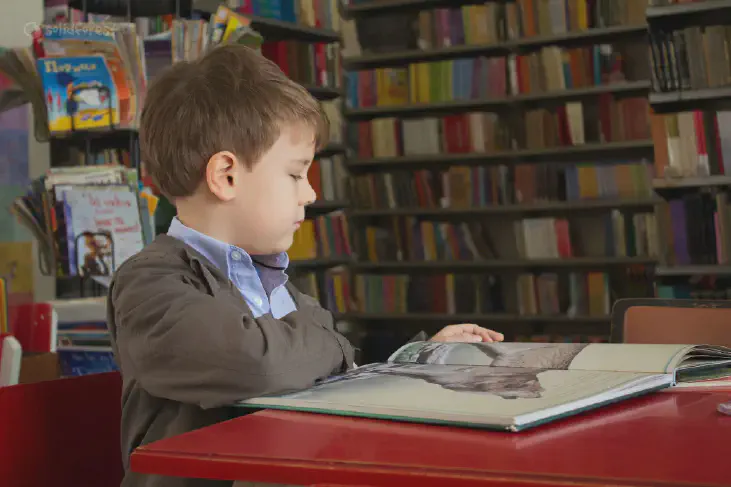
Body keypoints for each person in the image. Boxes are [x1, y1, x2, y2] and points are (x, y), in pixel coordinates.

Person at [106, 44, 505, 487]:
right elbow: (259, 366)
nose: (310, 194)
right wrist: (329, 343)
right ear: (226, 176)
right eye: (296, 174)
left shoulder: (269, 278)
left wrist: (416, 359)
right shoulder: (149, 282)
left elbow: (328, 375)